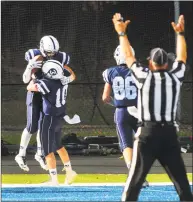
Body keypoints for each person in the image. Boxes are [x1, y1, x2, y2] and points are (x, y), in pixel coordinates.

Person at [112, 13, 193, 201]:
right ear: (167, 63)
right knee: (182, 186)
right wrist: (180, 34)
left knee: (133, 185)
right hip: (169, 134)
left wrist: (121, 34)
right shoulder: (175, 77)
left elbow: (129, 56)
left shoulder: (143, 76)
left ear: (150, 63)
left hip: (147, 133)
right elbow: (182, 57)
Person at [15, 35, 76, 172]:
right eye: (49, 52)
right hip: (35, 93)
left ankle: (40, 154)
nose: (51, 55)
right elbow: (26, 81)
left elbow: (70, 72)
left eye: (54, 52)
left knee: (43, 125)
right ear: (42, 48)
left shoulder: (60, 57)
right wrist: (29, 67)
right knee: (32, 126)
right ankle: (21, 154)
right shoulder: (35, 57)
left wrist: (69, 78)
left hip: (48, 94)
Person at [102, 45, 148, 187]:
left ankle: (133, 172)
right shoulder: (139, 70)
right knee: (142, 143)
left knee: (126, 144)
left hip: (122, 112)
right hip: (138, 111)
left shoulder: (110, 72)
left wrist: (118, 103)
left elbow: (105, 97)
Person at [27, 59, 77, 185]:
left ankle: (54, 179)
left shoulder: (47, 83)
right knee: (58, 146)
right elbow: (72, 75)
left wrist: (34, 77)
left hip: (49, 118)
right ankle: (70, 171)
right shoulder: (64, 80)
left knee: (47, 150)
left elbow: (30, 87)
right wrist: (65, 67)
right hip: (59, 117)